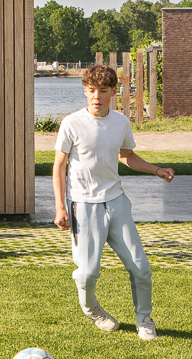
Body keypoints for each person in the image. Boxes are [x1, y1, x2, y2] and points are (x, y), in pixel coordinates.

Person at [51, 63, 175, 339]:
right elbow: (59, 166)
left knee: (140, 267)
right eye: (91, 90)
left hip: (117, 202)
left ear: (113, 92)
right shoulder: (71, 123)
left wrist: (156, 169)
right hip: (83, 205)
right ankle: (91, 308)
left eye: (103, 91)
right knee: (87, 273)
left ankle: (144, 319)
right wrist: (60, 207)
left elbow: (126, 156)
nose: (97, 96)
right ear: (85, 91)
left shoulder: (121, 122)